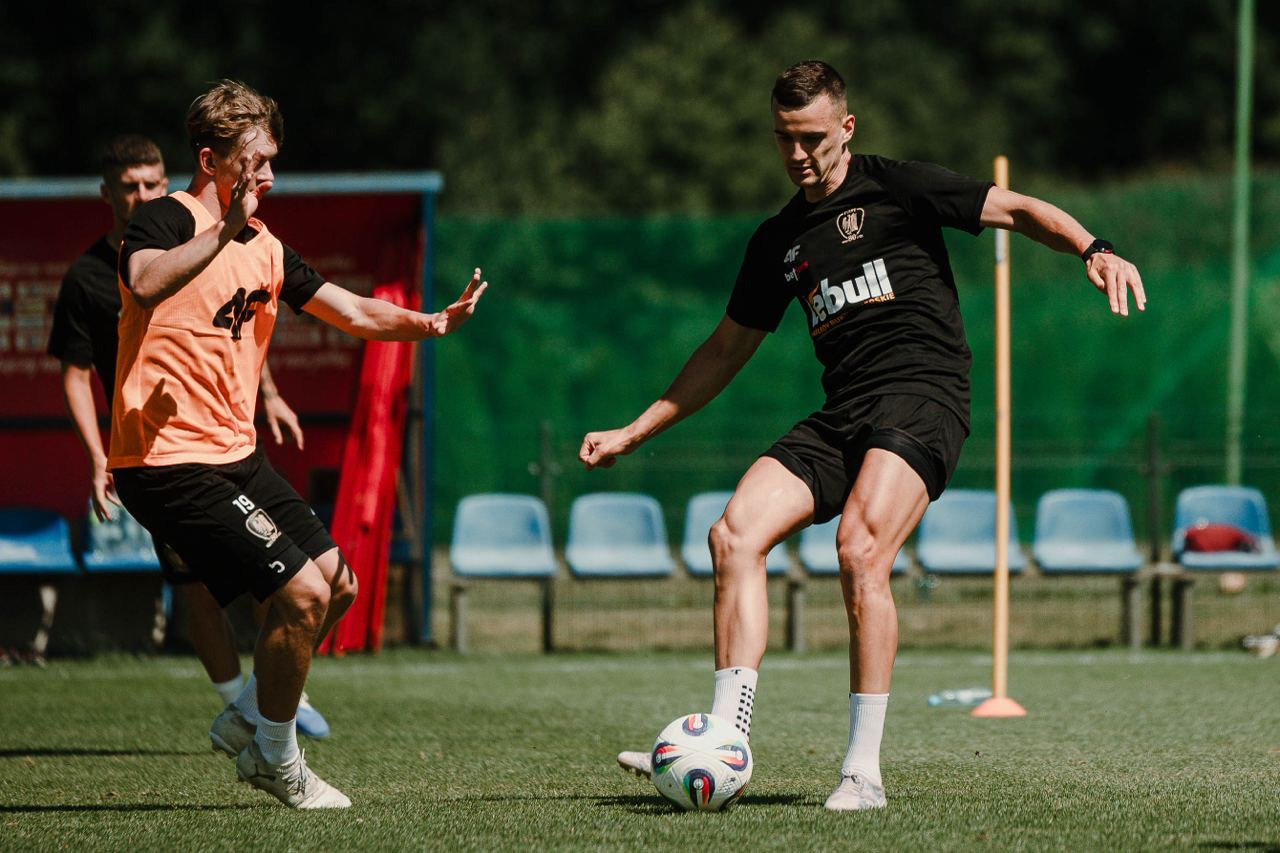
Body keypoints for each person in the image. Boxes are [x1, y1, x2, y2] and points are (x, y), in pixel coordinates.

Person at [579, 60, 1144, 812]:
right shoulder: (779, 238)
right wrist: (634, 430)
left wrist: (1094, 248)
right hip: (845, 410)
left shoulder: (898, 187)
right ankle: (723, 744)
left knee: (860, 548)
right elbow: (723, 350)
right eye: (784, 138)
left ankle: (863, 773)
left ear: (846, 128)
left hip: (925, 394)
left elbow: (1017, 209)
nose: (797, 154)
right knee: (733, 535)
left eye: (812, 138)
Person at [108, 80, 487, 809]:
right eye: (256, 162)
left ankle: (250, 714)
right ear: (211, 160)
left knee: (337, 583)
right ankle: (276, 758)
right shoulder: (165, 218)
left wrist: (433, 323)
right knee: (303, 592)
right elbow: (145, 282)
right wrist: (222, 231)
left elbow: (352, 311)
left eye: (273, 161)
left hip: (233, 455)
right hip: (166, 460)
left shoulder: (267, 247)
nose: (270, 177)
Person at [47, 134, 332, 738]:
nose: (143, 194)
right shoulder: (91, 277)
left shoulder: (203, 239)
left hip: (226, 443)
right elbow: (75, 375)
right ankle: (239, 704)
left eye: (152, 183)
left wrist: (270, 393)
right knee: (199, 587)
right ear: (107, 194)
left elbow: (235, 321)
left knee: (294, 577)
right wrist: (98, 455)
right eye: (129, 186)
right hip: (159, 452)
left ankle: (256, 704)